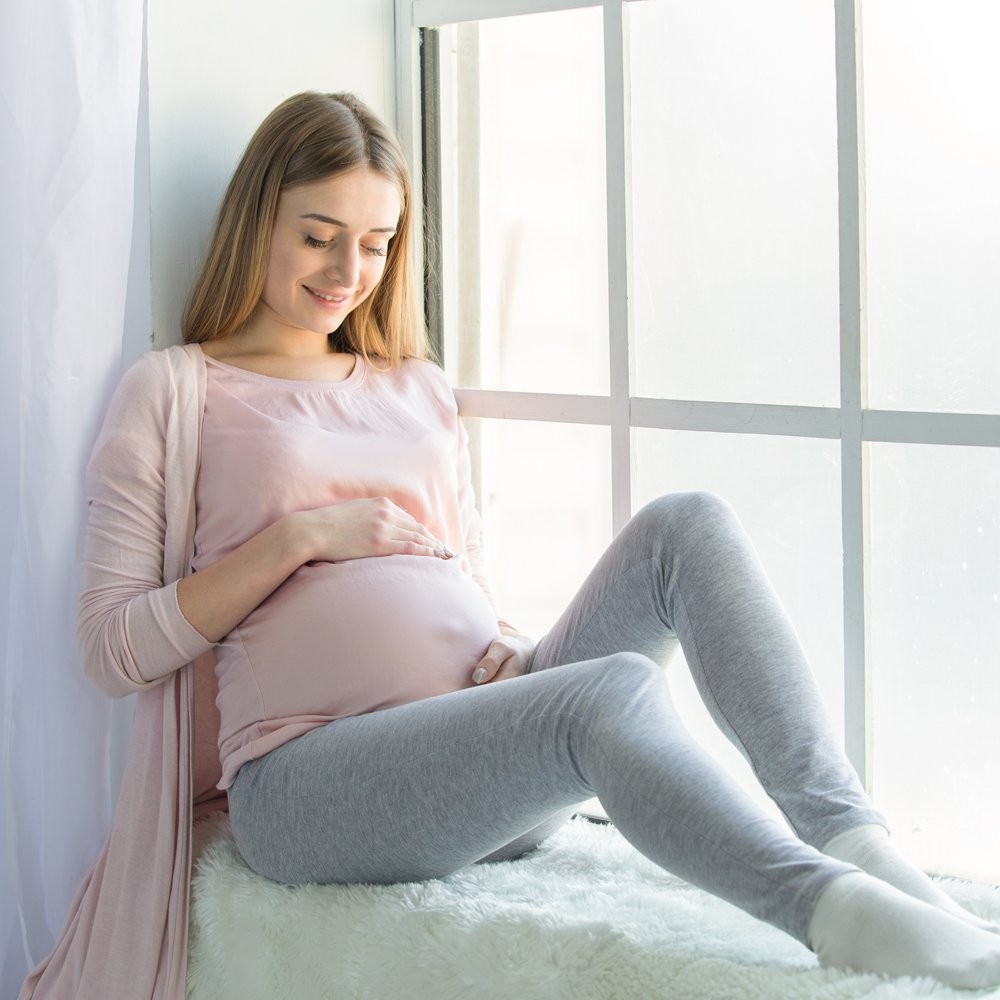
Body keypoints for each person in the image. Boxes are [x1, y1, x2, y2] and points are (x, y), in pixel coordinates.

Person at [20, 91, 1000, 1000]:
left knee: (686, 523)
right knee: (610, 690)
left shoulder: (415, 385)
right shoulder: (177, 388)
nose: (345, 272)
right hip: (308, 784)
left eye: (373, 242)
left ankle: (858, 843)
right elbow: (112, 650)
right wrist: (299, 537)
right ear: (256, 223)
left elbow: (454, 577)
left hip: (480, 758)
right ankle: (833, 911)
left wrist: (502, 641)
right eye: (317, 236)